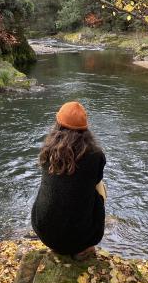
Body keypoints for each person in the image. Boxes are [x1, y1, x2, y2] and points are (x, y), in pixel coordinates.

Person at [31, 101, 106, 259]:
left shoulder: (47, 150)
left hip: (44, 232)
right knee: (99, 186)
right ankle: (83, 249)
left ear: (58, 124)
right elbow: (96, 182)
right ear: (85, 129)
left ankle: (59, 244)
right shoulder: (96, 155)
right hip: (79, 239)